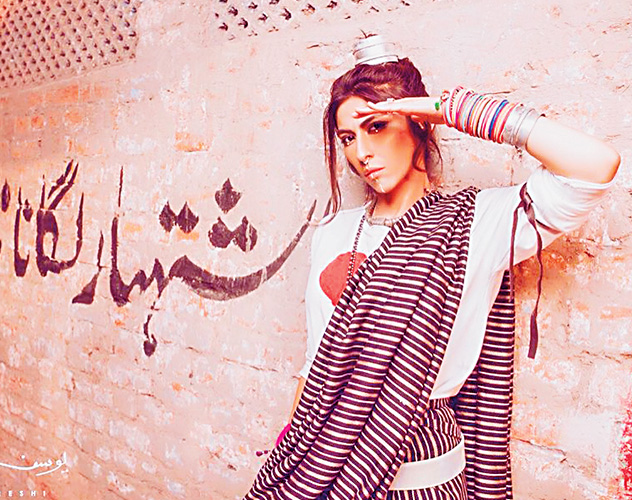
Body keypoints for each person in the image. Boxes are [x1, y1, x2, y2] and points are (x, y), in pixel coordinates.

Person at [244, 35, 620, 500]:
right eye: (348, 138)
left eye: (377, 126)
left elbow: (596, 166)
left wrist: (451, 110)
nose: (361, 152)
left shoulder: (476, 224)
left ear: (418, 123)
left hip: (425, 471)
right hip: (321, 457)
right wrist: (293, 452)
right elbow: (317, 365)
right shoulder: (333, 232)